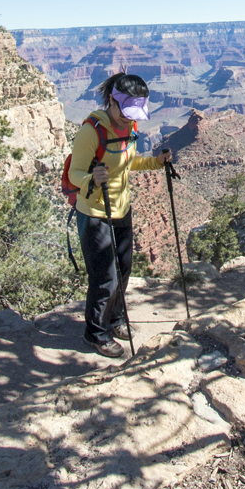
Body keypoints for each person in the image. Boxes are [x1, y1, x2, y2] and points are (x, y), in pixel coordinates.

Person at [66, 73, 173, 358]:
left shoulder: (131, 126)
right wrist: (91, 178)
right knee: (105, 277)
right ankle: (96, 333)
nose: (128, 120)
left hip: (121, 209)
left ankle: (114, 319)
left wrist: (156, 162)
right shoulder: (92, 132)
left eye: (133, 115)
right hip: (95, 213)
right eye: (125, 113)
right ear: (112, 101)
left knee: (123, 270)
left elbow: (128, 162)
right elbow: (74, 174)